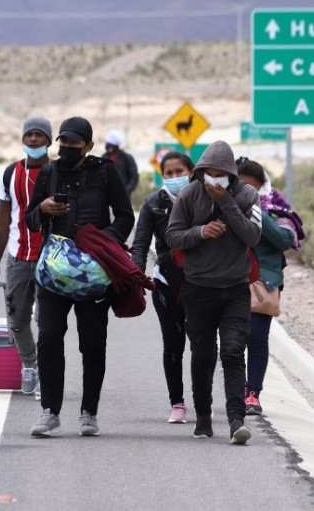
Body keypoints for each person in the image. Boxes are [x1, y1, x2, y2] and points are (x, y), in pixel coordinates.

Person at [24, 116, 135, 438]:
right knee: (49, 337)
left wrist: (102, 244)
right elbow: (31, 220)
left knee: (92, 343)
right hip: (55, 273)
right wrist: (43, 209)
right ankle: (50, 412)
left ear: (88, 145)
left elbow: (125, 216)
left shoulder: (105, 171)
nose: (67, 148)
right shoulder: (48, 172)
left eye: (74, 143)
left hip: (93, 274)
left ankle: (89, 413)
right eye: (63, 143)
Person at [164, 140, 261, 445]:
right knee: (203, 354)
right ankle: (203, 417)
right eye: (210, 172)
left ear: (231, 174)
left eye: (221, 173)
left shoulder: (247, 194)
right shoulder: (189, 194)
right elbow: (172, 236)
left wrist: (228, 205)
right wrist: (201, 232)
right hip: (199, 289)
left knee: (233, 352)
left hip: (235, 289)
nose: (214, 178)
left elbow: (253, 235)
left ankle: (236, 421)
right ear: (202, 172)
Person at [0, 116, 53, 396]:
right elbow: (1, 222)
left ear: (49, 140)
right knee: (17, 318)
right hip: (18, 257)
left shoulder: (59, 171)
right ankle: (30, 365)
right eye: (29, 135)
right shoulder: (10, 174)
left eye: (39, 135)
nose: (33, 139)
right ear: (23, 140)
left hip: (52, 260)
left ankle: (47, 375)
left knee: (47, 321)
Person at [236, 158, 305, 416]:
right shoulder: (220, 203)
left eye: (251, 189)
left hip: (263, 281)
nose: (246, 193)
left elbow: (285, 239)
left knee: (256, 337)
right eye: (241, 187)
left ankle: (252, 393)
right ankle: (234, 391)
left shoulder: (274, 204)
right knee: (231, 341)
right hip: (227, 277)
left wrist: (256, 212)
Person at [130, 151, 195, 424]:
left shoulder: (204, 199)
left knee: (203, 345)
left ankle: (204, 399)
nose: (174, 177)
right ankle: (177, 403)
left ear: (191, 172)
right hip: (166, 283)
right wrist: (135, 275)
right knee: (173, 345)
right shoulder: (152, 203)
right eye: (168, 173)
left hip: (203, 283)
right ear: (161, 175)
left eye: (180, 171)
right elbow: (141, 243)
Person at [104, 129, 139, 197]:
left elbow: (134, 177)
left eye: (108, 143)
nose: (106, 145)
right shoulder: (104, 157)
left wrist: (126, 190)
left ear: (114, 145)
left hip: (124, 197)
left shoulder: (127, 158)